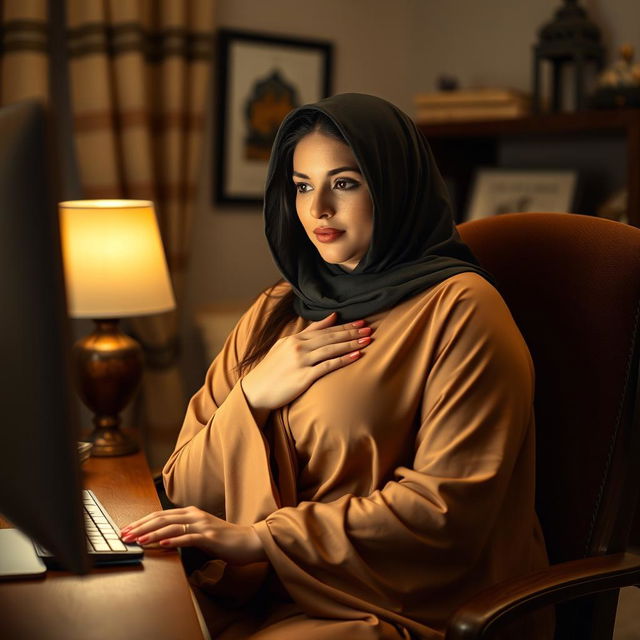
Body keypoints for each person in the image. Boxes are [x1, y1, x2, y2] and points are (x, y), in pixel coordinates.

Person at [121, 93, 552, 639]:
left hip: (391, 606)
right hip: (254, 587)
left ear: (395, 186)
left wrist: (261, 538)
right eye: (302, 185)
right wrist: (252, 396)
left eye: (344, 183)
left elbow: (447, 513)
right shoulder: (277, 308)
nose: (317, 208)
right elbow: (182, 485)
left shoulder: (462, 310)